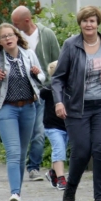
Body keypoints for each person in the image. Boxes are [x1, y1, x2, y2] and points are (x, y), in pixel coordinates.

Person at [52, 6, 101, 201]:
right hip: (77, 107)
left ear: (98, 23)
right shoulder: (71, 45)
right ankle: (71, 187)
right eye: (85, 21)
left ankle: (100, 199)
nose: (89, 24)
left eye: (93, 21)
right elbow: (58, 78)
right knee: (81, 150)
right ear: (80, 23)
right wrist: (59, 102)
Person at [0, 23, 45, 201]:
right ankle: (15, 193)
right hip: (7, 109)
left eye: (11, 35)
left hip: (28, 107)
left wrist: (36, 74)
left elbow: (42, 77)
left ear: (17, 37)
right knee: (14, 152)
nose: (8, 39)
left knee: (22, 152)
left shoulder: (29, 54)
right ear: (0, 42)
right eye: (3, 37)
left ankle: (18, 195)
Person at [11, 6, 60, 181]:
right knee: (21, 131)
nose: (13, 26)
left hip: (43, 91)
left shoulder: (46, 35)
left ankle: (33, 168)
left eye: (16, 23)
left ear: (27, 20)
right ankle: (17, 165)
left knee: (39, 131)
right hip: (21, 92)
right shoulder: (15, 38)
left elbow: (58, 61)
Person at [41, 61, 68, 190]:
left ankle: (53, 172)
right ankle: (61, 179)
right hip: (52, 126)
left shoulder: (70, 88)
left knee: (60, 150)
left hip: (67, 126)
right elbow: (39, 93)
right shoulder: (48, 89)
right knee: (59, 149)